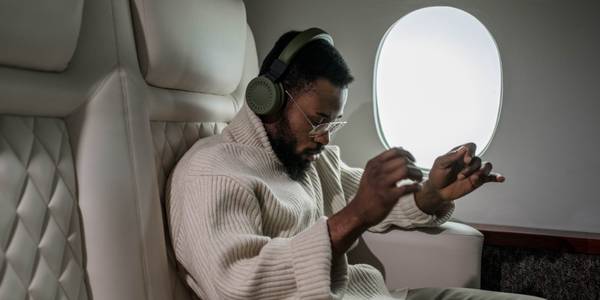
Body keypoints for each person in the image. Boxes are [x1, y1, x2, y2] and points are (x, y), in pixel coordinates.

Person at [167, 28, 543, 300]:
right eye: (317, 120)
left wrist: (432, 192)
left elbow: (364, 195)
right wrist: (354, 217)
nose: (326, 137)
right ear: (270, 99)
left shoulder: (306, 157)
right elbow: (236, 285)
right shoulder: (213, 173)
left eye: (332, 122)